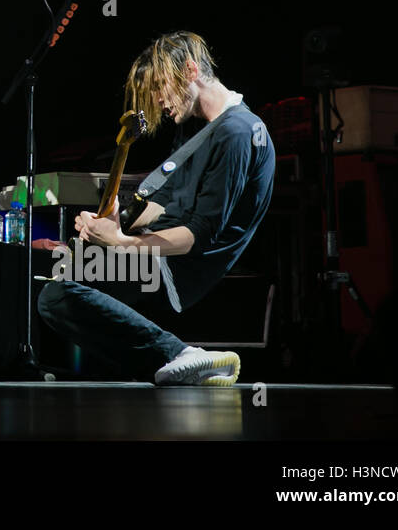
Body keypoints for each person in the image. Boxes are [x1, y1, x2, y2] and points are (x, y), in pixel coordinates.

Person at [36, 31, 274, 385]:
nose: (160, 100)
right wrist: (118, 221)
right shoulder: (198, 129)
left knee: (56, 293)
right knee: (44, 272)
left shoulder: (238, 133)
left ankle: (179, 355)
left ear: (191, 70)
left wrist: (120, 243)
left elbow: (196, 235)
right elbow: (163, 204)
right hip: (156, 253)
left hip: (178, 269)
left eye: (162, 86)